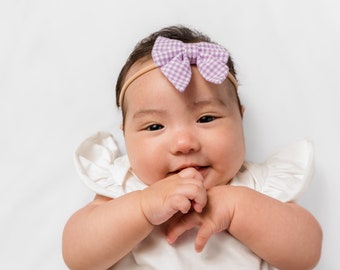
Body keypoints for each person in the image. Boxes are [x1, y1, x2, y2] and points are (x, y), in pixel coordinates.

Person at [62, 25, 322, 270]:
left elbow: (307, 253)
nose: (184, 144)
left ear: (240, 119)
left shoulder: (257, 186)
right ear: (125, 135)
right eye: (154, 127)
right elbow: (77, 256)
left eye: (206, 118)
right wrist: (143, 206)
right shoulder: (125, 187)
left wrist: (235, 207)